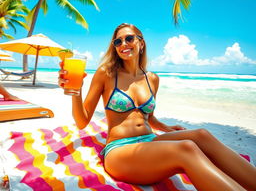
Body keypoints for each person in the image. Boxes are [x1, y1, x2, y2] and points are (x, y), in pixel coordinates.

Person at [58, 23, 256, 191]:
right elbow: (82, 121)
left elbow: (148, 117)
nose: (123, 44)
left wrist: (166, 128)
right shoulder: (107, 74)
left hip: (149, 140)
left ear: (141, 42)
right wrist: (75, 91)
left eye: (129, 39)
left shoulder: (151, 78)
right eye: (118, 41)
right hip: (120, 150)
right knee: (187, 148)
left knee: (201, 135)